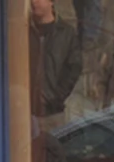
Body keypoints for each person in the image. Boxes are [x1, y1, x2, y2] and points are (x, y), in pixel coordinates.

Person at [29, 0, 82, 132]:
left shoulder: (66, 33)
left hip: (53, 114)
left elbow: (73, 69)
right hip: (26, 113)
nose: (33, 2)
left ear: (51, 2)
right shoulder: (24, 31)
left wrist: (57, 97)